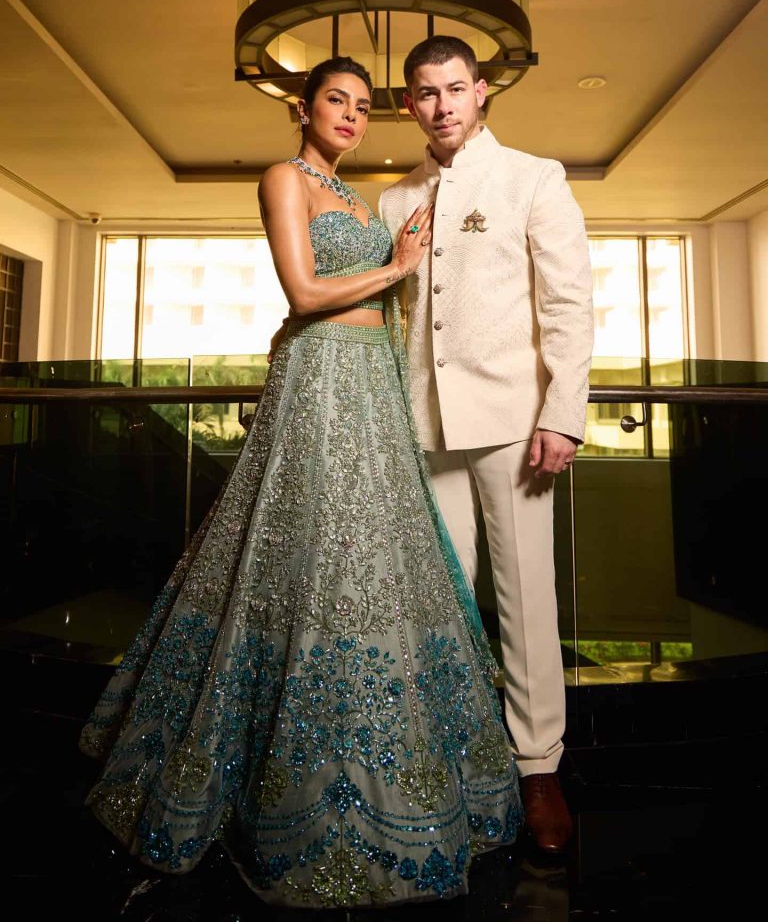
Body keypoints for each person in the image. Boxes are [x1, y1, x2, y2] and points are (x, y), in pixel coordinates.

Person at [79, 56, 522, 908]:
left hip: (371, 381)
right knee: (304, 546)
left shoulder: (359, 199)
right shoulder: (284, 179)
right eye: (335, 100)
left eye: (361, 105)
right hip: (320, 379)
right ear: (303, 106)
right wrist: (397, 268)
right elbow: (305, 290)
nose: (350, 115)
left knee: (369, 556)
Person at [380, 37, 594, 855]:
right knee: (442, 597)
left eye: (455, 88)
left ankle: (538, 766)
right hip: (422, 423)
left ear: (481, 94)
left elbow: (568, 303)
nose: (442, 105)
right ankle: (458, 750)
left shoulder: (534, 177)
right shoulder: (394, 199)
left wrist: (562, 413)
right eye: (426, 92)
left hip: (515, 422)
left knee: (525, 596)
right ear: (410, 104)